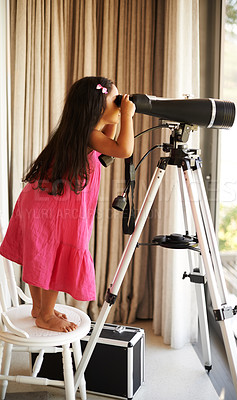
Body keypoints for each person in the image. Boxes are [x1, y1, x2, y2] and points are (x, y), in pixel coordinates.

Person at [0, 76, 135, 333]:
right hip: (53, 209)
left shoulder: (80, 132)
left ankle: (40, 308)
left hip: (39, 202)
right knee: (53, 256)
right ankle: (47, 315)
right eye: (114, 100)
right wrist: (127, 114)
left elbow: (110, 142)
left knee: (41, 253)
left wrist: (115, 113)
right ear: (96, 106)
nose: (119, 104)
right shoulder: (89, 136)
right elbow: (124, 150)